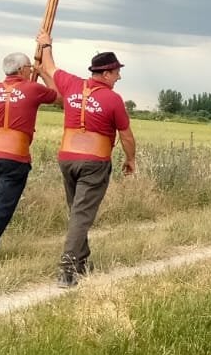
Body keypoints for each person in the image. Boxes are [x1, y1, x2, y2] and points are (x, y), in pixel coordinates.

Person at [36, 34, 136, 287]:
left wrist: (46, 43)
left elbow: (49, 67)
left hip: (67, 159)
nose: (118, 77)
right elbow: (126, 135)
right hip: (95, 162)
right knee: (81, 215)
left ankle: (81, 261)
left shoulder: (71, 84)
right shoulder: (113, 99)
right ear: (105, 74)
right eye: (116, 72)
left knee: (77, 212)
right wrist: (130, 159)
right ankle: (68, 270)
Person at [0, 52, 58, 267]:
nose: (30, 70)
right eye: (29, 67)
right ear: (22, 70)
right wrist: (44, 74)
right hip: (14, 155)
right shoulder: (33, 88)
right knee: (3, 205)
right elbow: (59, 97)